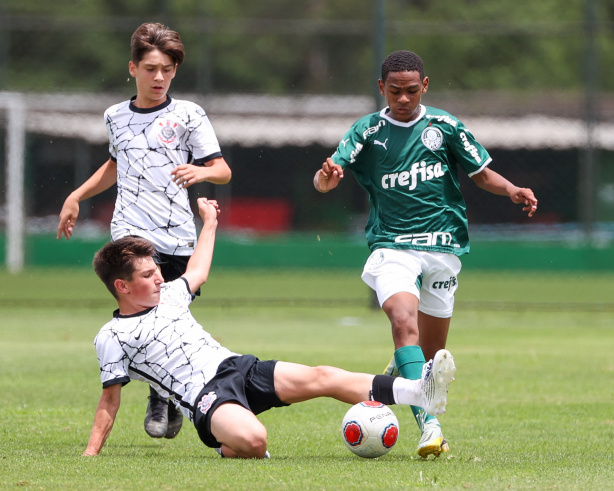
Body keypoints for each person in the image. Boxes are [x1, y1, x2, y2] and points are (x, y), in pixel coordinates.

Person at [83, 198, 457, 458]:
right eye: (149, 275)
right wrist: (91, 454)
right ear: (122, 286)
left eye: (158, 271)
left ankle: (419, 391)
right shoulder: (112, 336)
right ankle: (225, 441)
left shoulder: (171, 296)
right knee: (255, 441)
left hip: (237, 367)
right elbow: (109, 400)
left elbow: (196, 270)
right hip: (204, 396)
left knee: (321, 376)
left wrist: (210, 223)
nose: (161, 279)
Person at [313, 50, 537, 458]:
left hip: (443, 248)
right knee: (403, 321)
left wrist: (512, 189)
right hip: (392, 246)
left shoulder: (445, 126)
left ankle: (397, 373)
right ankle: (430, 427)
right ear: (382, 88)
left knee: (431, 358)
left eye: (412, 91)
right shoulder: (366, 130)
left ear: (425, 86)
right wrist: (326, 178)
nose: (403, 99)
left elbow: (481, 173)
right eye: (395, 91)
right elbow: (324, 179)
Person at [57, 23, 232, 441]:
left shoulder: (188, 114)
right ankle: (158, 393)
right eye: (151, 68)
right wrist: (76, 195)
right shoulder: (115, 117)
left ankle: (164, 393)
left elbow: (223, 171)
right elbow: (115, 166)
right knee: (141, 314)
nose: (159, 78)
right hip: (131, 233)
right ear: (132, 68)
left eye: (168, 70)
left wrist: (201, 170)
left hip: (177, 238)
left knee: (170, 320)